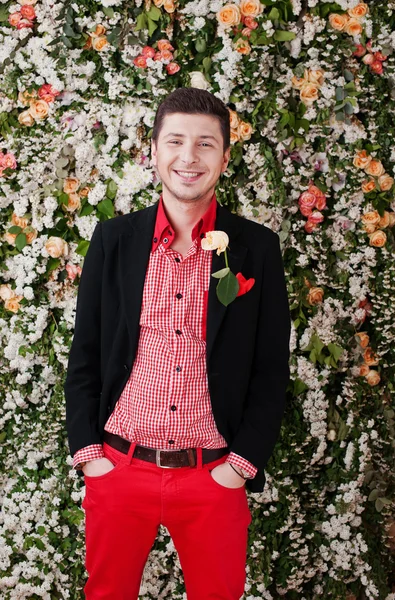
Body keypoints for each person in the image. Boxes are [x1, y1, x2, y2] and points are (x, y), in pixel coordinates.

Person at [64, 87, 291, 600]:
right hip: (119, 468)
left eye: (206, 144)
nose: (189, 158)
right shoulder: (113, 239)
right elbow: (85, 355)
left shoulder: (256, 248)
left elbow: (271, 368)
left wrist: (240, 467)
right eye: (176, 141)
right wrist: (89, 455)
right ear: (155, 151)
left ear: (225, 157)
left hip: (213, 474)